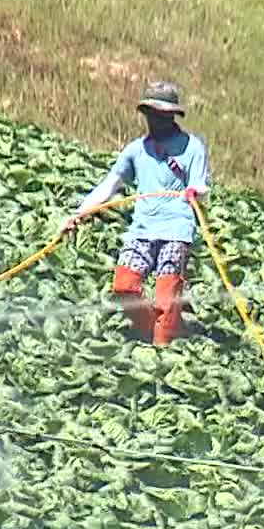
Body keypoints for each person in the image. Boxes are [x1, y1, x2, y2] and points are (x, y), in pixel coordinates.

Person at [63, 81, 209, 347]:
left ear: (172, 116)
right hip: (141, 230)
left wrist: (194, 193)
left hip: (176, 229)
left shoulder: (192, 147)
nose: (157, 121)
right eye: (152, 115)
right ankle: (150, 329)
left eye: (162, 115)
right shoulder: (135, 150)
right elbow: (109, 185)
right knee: (124, 287)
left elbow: (199, 186)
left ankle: (162, 347)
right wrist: (79, 213)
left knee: (167, 297)